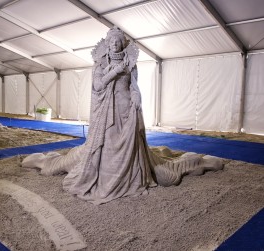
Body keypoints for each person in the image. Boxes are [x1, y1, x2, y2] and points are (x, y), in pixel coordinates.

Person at [22, 27, 223, 205]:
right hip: (107, 116)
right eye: (112, 41)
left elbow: (133, 87)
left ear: (123, 44)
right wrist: (114, 71)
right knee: (97, 153)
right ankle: (46, 162)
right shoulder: (100, 65)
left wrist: (136, 97)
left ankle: (187, 163)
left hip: (127, 114)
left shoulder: (130, 64)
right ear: (107, 44)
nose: (115, 44)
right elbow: (98, 86)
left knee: (147, 159)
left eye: (118, 41)